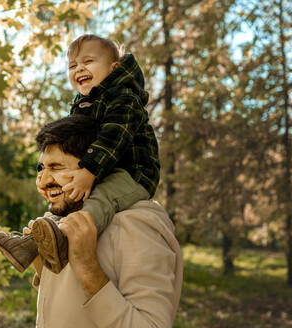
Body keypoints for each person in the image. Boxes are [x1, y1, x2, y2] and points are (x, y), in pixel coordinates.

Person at [0, 34, 160, 274]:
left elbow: (113, 138)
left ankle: (66, 240)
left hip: (132, 174)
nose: (79, 68)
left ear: (114, 68)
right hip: (100, 169)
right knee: (66, 198)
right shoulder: (82, 104)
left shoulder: (123, 98)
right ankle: (31, 244)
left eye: (88, 62)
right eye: (73, 65)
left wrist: (89, 170)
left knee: (100, 199)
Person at [27, 115, 183, 327]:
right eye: (41, 169)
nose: (43, 181)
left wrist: (87, 266)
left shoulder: (136, 225)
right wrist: (42, 267)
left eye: (55, 167)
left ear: (94, 169)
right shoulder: (66, 220)